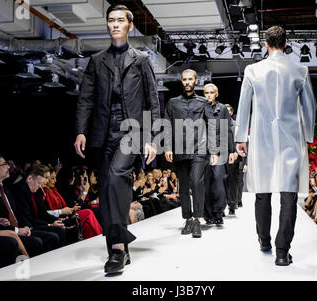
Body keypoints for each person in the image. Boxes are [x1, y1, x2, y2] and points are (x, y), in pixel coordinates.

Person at [74, 4, 160, 274]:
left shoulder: (142, 59)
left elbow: (152, 101)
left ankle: (117, 250)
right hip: (102, 133)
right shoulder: (97, 61)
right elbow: (85, 99)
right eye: (111, 20)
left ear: (130, 26)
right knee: (111, 188)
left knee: (114, 178)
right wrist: (80, 130)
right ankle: (120, 244)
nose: (114, 24)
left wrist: (152, 138)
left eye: (120, 20)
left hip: (131, 132)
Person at [235, 26, 316, 266]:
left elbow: (244, 106)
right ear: (286, 42)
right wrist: (308, 137)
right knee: (288, 194)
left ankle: (264, 242)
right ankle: (282, 252)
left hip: (261, 138)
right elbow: (309, 108)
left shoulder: (253, 70)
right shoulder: (300, 70)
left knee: (263, 191)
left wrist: (241, 137)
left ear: (265, 44)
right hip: (291, 138)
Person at [164, 69, 219, 239]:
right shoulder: (172, 103)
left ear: (196, 81)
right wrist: (167, 147)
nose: (187, 82)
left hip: (199, 149)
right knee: (183, 186)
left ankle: (197, 219)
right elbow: (166, 126)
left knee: (196, 183)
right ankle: (188, 218)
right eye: (184, 79)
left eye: (190, 79)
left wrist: (214, 150)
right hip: (180, 149)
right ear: (182, 82)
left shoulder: (203, 103)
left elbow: (211, 126)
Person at [0, 154, 46, 257]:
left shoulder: (6, 188)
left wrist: (26, 227)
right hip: (4, 233)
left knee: (52, 235)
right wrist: (17, 230)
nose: (9, 167)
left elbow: (15, 213)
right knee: (38, 241)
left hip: (18, 229)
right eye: (5, 164)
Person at [203, 83, 237, 224]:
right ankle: (208, 215)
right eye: (206, 92)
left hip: (219, 150)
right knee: (206, 184)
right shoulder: (200, 108)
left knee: (218, 181)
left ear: (216, 94)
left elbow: (227, 131)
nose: (209, 95)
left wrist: (232, 150)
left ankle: (218, 213)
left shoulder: (222, 109)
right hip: (203, 151)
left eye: (211, 92)